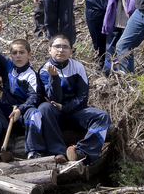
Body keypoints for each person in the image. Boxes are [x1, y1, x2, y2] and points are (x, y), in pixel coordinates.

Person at [34, 35, 112, 164]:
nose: (61, 50)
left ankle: (82, 152)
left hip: (75, 111)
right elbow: (53, 99)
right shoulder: (44, 70)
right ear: (50, 50)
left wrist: (65, 107)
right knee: (44, 108)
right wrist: (54, 78)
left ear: (71, 51)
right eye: (57, 46)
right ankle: (58, 152)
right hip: (55, 114)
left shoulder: (78, 67)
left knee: (102, 116)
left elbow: (83, 97)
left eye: (65, 47)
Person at [0, 19, 43, 152]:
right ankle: (6, 133)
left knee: (34, 112)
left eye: (22, 52)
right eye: (14, 53)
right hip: (5, 113)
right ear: (10, 55)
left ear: (29, 55)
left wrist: (20, 110)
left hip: (21, 114)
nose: (18, 56)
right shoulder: (7, 66)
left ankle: (34, 151)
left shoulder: (31, 75)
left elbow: (34, 98)